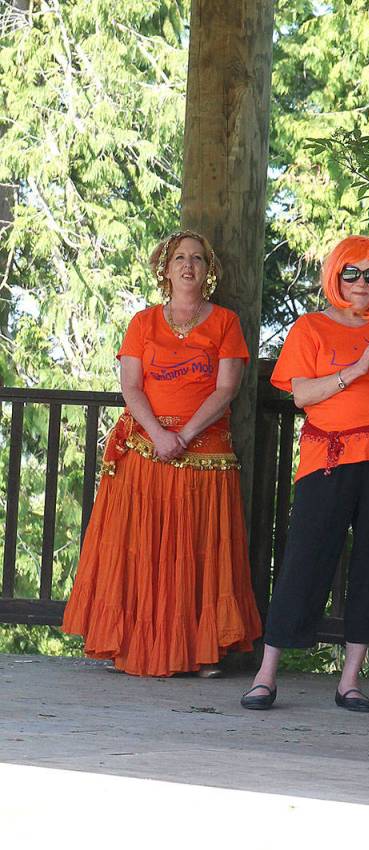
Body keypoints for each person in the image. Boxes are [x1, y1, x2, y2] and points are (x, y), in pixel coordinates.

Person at [240, 235, 369, 712]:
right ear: (336, 276)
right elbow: (301, 396)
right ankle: (266, 674)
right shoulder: (310, 328)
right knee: (304, 559)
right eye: (351, 272)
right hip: (327, 457)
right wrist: (355, 367)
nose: (361, 283)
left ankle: (350, 680)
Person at [63, 230, 262, 677]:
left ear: (209, 271)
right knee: (144, 551)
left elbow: (227, 388)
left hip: (204, 453)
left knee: (197, 552)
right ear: (165, 269)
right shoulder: (143, 322)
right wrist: (158, 434)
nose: (188, 265)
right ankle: (131, 645)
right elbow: (131, 386)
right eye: (179, 258)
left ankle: (202, 650)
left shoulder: (225, 322)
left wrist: (185, 434)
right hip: (147, 452)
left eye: (197, 258)